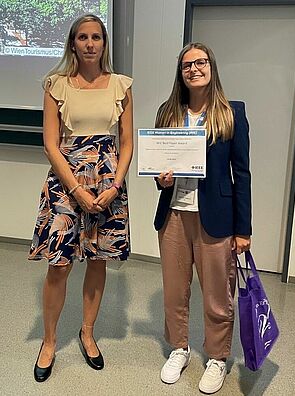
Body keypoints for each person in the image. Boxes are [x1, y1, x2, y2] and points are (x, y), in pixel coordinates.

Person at [28, 14, 133, 382]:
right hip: (65, 181)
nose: (90, 43)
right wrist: (75, 188)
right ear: (73, 43)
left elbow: (127, 141)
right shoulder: (56, 85)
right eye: (83, 37)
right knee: (59, 265)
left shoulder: (121, 85)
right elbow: (50, 144)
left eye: (97, 37)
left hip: (108, 182)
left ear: (105, 43)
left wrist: (114, 186)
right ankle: (49, 341)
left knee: (98, 260)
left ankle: (87, 334)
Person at [154, 42, 251, 394]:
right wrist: (160, 179)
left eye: (201, 62)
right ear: (180, 74)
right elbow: (158, 168)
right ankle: (179, 348)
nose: (194, 69)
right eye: (186, 65)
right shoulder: (168, 112)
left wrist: (244, 229)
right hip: (174, 216)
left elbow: (242, 173)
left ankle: (217, 358)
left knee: (217, 294)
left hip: (217, 218)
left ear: (211, 67)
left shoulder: (231, 113)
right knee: (175, 292)